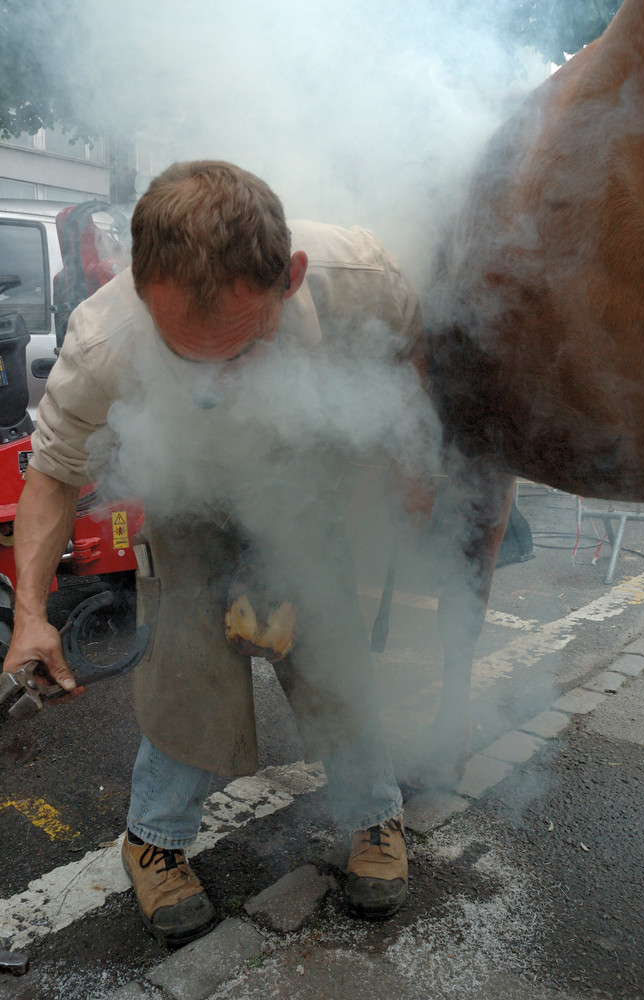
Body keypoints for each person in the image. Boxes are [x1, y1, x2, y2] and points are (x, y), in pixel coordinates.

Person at [3, 161, 428, 945]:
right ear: (142, 288)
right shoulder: (106, 337)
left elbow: (406, 358)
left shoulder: (356, 273)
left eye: (239, 349)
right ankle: (153, 842)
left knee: (333, 656)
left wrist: (403, 467)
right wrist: (31, 613)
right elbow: (54, 479)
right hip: (189, 493)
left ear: (290, 277)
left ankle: (375, 817)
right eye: (185, 353)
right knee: (188, 668)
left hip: (310, 483)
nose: (213, 383)